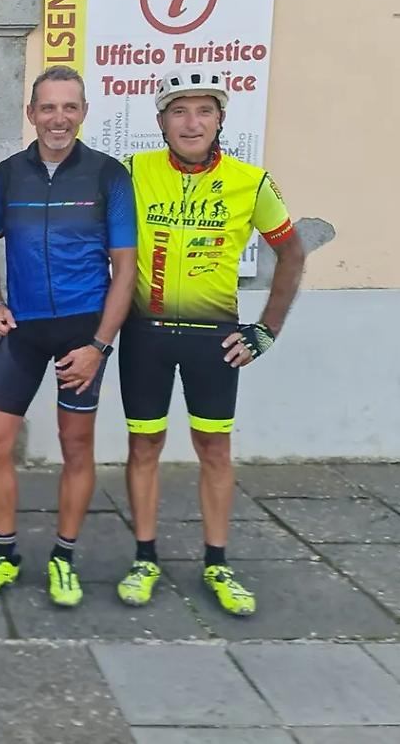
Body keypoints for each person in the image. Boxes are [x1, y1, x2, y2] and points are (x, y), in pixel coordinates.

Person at [116, 66, 305, 616]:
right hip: (145, 334)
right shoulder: (132, 170)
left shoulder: (252, 181)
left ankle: (217, 563)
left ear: (221, 119)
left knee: (214, 449)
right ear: (161, 122)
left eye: (204, 111)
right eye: (179, 110)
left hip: (213, 339)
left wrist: (266, 329)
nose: (191, 122)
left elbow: (292, 253)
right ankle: (144, 558)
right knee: (143, 446)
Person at [0, 66, 137, 604]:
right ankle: (4, 553)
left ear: (83, 112)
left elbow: (126, 269)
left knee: (75, 445)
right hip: (25, 329)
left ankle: (64, 558)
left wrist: (99, 347)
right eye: (47, 107)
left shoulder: (109, 175)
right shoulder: (8, 174)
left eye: (69, 107)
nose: (58, 118)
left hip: (83, 332)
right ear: (31, 113)